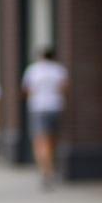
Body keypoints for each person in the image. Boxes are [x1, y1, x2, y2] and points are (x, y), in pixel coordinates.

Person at [21, 46, 68, 188]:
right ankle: (51, 167)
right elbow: (64, 88)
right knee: (52, 139)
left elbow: (26, 89)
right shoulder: (58, 70)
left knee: (40, 141)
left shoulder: (33, 70)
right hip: (55, 106)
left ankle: (45, 170)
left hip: (38, 107)